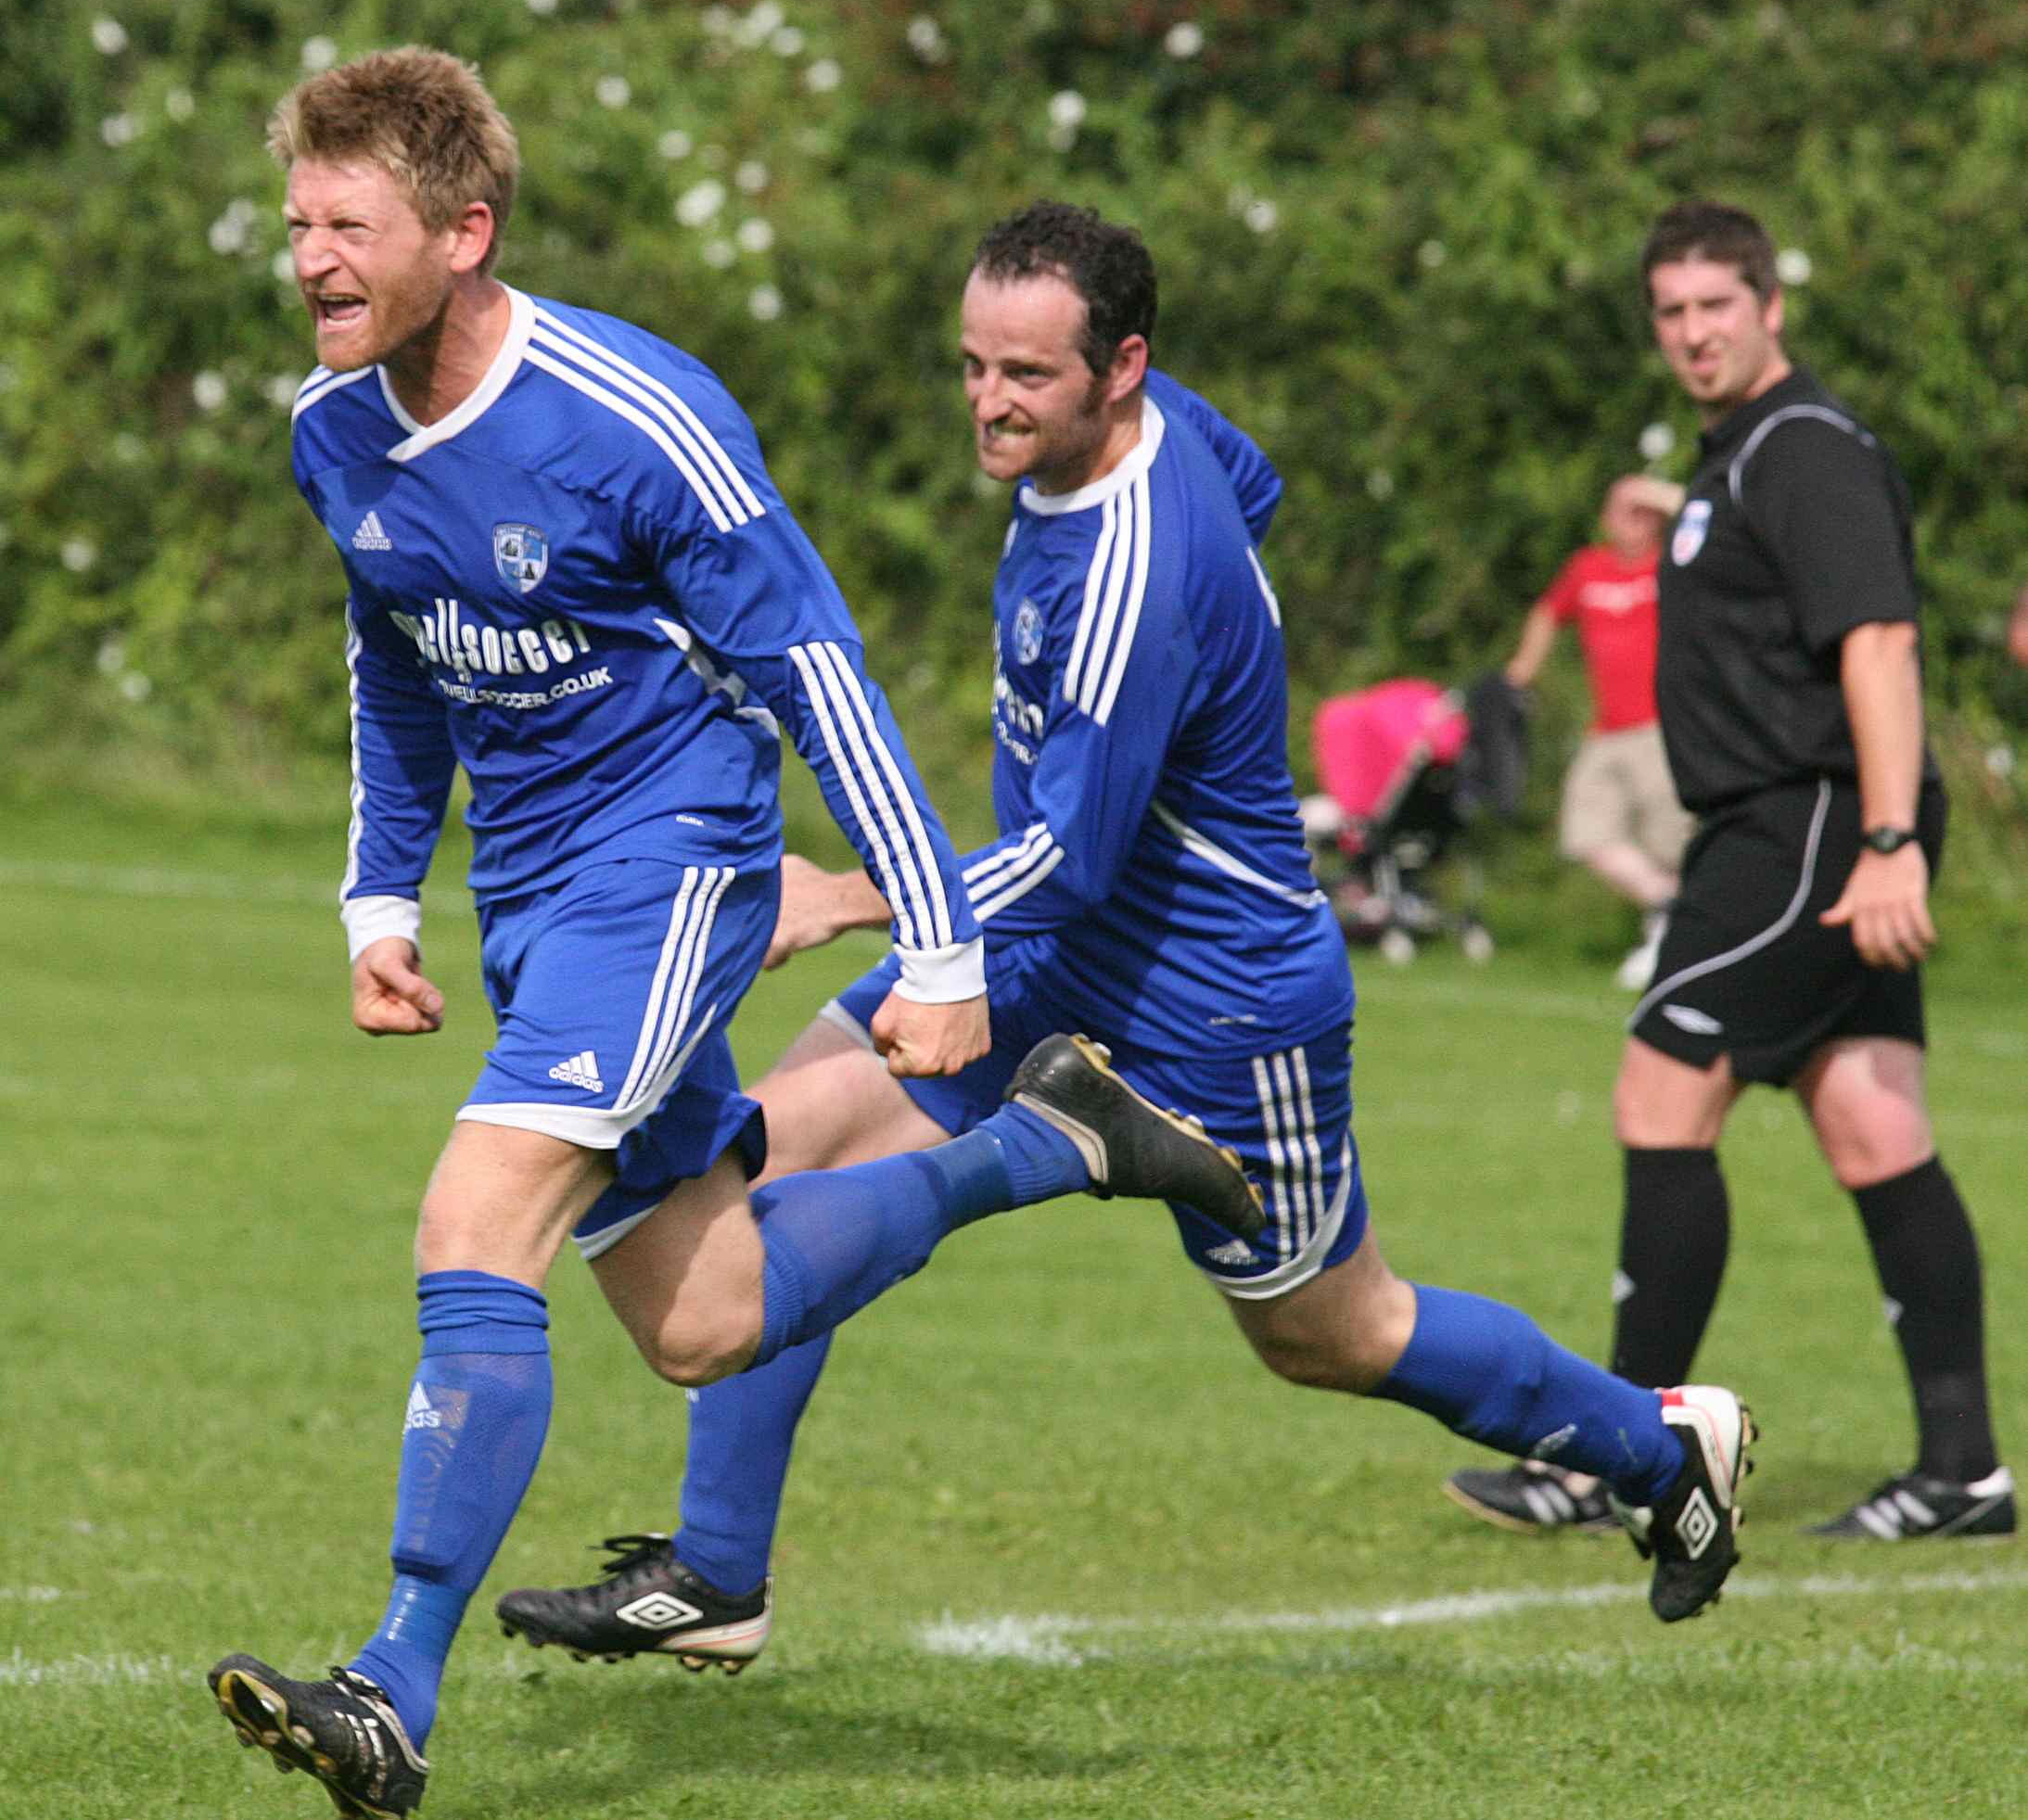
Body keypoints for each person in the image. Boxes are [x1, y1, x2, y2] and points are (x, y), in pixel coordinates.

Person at [205, 53, 1267, 1820]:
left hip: (676, 864)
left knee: (475, 1218)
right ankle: (1050, 1141)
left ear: (464, 234)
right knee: (706, 1319)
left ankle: (392, 1682)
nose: (309, 256)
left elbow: (817, 675)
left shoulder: (633, 414)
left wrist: (935, 943)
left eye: (349, 224)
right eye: (297, 221)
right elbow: (391, 660)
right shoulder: (333, 433)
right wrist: (381, 894)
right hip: (535, 903)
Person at [492, 199, 1756, 1682]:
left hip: (1221, 1005)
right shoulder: (1166, 436)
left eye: (1025, 375)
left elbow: (1066, 850)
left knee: (1333, 1333)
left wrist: (845, 893)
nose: (987, 401)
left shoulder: (1129, 573)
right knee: (784, 1147)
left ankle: (1663, 1448)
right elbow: (1255, 490)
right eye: (972, 364)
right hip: (1052, 945)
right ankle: (716, 1568)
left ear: (1121, 367)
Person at [1448, 199, 2010, 1546]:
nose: (1692, 332)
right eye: (1670, 312)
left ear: (1769, 306)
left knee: (1658, 1088)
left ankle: (1613, 1458)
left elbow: (1876, 646)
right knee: (1874, 1125)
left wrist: (1882, 842)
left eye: (1716, 304)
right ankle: (1961, 1474)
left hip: (1801, 827)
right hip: (1779, 822)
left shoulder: (1802, 449)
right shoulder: (1734, 460)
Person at [1502, 475, 1696, 989]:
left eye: (1644, 514)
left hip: (1665, 726)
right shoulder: (1588, 568)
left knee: (1671, 843)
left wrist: (1652, 492)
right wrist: (1523, 668)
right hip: (1607, 731)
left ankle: (1675, 944)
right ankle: (1672, 910)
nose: (1635, 522)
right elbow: (1547, 612)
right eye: (1624, 512)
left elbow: (1712, 516)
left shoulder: (1673, 562)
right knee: (1587, 835)